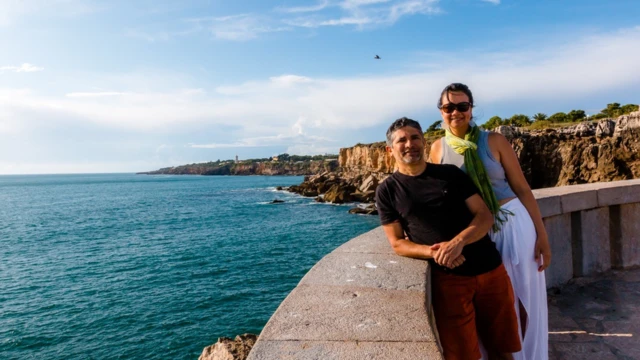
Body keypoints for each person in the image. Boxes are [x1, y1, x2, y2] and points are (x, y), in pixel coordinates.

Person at [376, 117, 521, 360]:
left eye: (414, 137)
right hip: (449, 281)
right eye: (402, 140)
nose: (409, 144)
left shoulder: (449, 174)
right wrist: (434, 253)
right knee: (463, 354)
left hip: (490, 270)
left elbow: (484, 215)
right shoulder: (387, 190)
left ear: (423, 142)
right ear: (390, 150)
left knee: (503, 349)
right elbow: (397, 243)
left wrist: (458, 242)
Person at [429, 83, 551, 360]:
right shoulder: (437, 149)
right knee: (497, 301)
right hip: (476, 233)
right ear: (441, 112)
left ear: (471, 110)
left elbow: (521, 188)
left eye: (463, 106)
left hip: (513, 225)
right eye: (449, 107)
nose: (456, 112)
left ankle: (527, 355)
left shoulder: (494, 141)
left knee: (522, 297)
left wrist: (542, 236)